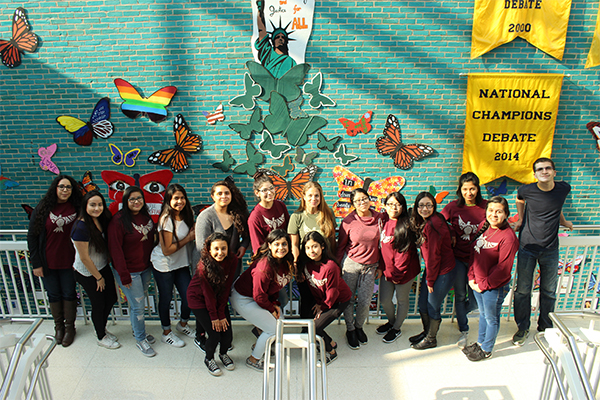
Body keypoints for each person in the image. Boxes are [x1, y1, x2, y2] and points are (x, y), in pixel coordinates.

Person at [511, 157, 573, 346]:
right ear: (535, 174)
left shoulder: (564, 188)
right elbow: (519, 199)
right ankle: (522, 328)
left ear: (554, 172)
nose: (544, 171)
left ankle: (544, 328)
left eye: (547, 168)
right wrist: (521, 219)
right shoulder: (527, 190)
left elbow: (557, 206)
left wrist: (563, 221)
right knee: (522, 290)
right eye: (539, 169)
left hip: (550, 249)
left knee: (549, 291)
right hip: (527, 247)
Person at [27, 175, 82, 347]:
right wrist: (36, 263)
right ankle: (59, 328)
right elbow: (32, 237)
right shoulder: (43, 208)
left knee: (69, 294)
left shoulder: (77, 207)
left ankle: (70, 328)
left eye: (68, 187)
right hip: (47, 262)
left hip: (70, 262)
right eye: (61, 187)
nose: (65, 190)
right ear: (55, 188)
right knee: (54, 295)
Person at [463, 196, 519, 361]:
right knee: (483, 315)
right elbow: (474, 253)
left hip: (493, 287)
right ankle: (480, 343)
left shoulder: (508, 237)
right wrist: (471, 277)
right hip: (478, 283)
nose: (494, 215)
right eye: (491, 210)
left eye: (499, 212)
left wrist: (483, 285)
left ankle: (487, 349)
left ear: (506, 214)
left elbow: (503, 269)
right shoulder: (484, 227)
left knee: (491, 318)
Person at [230, 229, 295, 372]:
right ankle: (254, 359)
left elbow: (273, 288)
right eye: (276, 244)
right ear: (269, 245)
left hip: (258, 298)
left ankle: (260, 343)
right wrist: (271, 309)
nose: (281, 248)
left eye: (284, 244)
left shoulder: (284, 261)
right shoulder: (264, 266)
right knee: (274, 329)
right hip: (243, 298)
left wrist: (275, 305)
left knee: (280, 324)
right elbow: (259, 295)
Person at [108, 186, 157, 357]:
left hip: (144, 268)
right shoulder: (118, 221)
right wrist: (123, 274)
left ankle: (137, 331)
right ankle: (140, 339)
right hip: (129, 272)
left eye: (139, 198)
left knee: (137, 305)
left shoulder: (145, 216)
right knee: (138, 307)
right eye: (132, 199)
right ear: (125, 201)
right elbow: (115, 250)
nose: (136, 202)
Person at [441, 172, 487, 348]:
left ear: (477, 189)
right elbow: (438, 221)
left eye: (472, 189)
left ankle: (461, 312)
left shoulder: (485, 206)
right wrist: (451, 231)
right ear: (460, 190)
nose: (469, 192)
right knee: (460, 295)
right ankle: (463, 328)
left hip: (478, 261)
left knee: (476, 296)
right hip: (458, 259)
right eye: (465, 189)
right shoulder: (453, 207)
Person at [336, 188, 385, 350]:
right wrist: (337, 267)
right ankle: (350, 329)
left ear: (369, 199)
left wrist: (381, 266)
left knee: (364, 301)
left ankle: (359, 327)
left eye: (364, 199)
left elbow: (384, 245)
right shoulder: (348, 221)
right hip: (351, 264)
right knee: (348, 299)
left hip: (370, 266)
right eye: (358, 200)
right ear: (353, 204)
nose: (362, 203)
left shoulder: (379, 218)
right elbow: (341, 245)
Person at [71, 190, 119, 349]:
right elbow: (84, 258)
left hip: (102, 266)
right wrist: (98, 277)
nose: (96, 208)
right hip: (87, 272)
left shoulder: (101, 219)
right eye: (92, 205)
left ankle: (101, 327)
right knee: (98, 304)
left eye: (99, 204)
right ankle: (100, 336)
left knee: (111, 298)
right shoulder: (81, 227)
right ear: (85, 206)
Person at [150, 184, 196, 348]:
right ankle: (166, 332)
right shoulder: (166, 219)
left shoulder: (187, 214)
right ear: (169, 200)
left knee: (189, 296)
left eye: (182, 197)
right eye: (176, 198)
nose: (180, 201)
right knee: (166, 297)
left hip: (181, 264)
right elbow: (167, 250)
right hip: (164, 265)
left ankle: (182, 325)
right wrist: (189, 238)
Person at [410, 192, 456, 350]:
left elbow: (433, 256)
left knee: (432, 306)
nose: (425, 208)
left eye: (428, 205)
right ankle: (426, 332)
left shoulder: (432, 225)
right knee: (423, 305)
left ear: (434, 206)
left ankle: (431, 338)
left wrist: (430, 280)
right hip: (432, 270)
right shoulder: (428, 221)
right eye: (421, 205)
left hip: (442, 271)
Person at [188, 232, 238, 376]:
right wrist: (215, 317)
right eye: (216, 249)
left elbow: (226, 287)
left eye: (223, 248)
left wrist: (221, 313)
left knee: (227, 333)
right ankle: (209, 358)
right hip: (198, 299)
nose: (220, 252)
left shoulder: (233, 260)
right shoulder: (204, 266)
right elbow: (207, 294)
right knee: (215, 334)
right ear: (209, 250)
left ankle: (223, 354)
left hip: (218, 297)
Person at [298, 231, 352, 364]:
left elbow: (333, 293)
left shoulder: (330, 266)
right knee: (309, 324)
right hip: (323, 300)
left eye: (315, 246)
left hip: (338, 300)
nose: (312, 251)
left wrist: (322, 307)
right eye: (308, 247)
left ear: (322, 246)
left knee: (314, 327)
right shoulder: (306, 264)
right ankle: (331, 343)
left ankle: (331, 353)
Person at [288, 182, 337, 320]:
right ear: (303, 196)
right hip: (306, 267)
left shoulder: (327, 214)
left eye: (317, 195)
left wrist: (335, 262)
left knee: (324, 299)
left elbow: (332, 241)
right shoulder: (297, 217)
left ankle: (319, 331)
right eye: (310, 195)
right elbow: (295, 245)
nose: (313, 198)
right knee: (307, 300)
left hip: (325, 266)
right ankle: (306, 332)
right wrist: (297, 267)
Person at [377, 192, 421, 344]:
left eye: (397, 204)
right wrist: (383, 268)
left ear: (403, 206)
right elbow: (383, 249)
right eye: (390, 204)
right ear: (385, 206)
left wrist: (397, 275)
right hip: (387, 270)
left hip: (404, 272)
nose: (393, 208)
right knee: (384, 300)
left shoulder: (406, 225)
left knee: (402, 300)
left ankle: (396, 328)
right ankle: (391, 322)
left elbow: (405, 254)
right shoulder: (384, 221)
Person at [195, 179, 250, 276]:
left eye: (227, 193)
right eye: (219, 193)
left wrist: (243, 246)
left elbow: (248, 232)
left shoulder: (237, 213)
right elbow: (201, 247)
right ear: (213, 197)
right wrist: (213, 267)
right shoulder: (205, 217)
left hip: (233, 264)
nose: (224, 196)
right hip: (211, 267)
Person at [248, 173, 290, 254]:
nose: (269, 192)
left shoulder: (281, 206)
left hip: (284, 253)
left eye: (271, 188)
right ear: (257, 193)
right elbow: (258, 246)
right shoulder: (254, 217)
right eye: (264, 190)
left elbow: (289, 230)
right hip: (267, 257)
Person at [254, 0, 297, 78]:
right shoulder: (268, 54)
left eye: (283, 37)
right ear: (273, 41)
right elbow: (261, 31)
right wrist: (260, 10)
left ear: (286, 41)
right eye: (277, 37)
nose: (280, 39)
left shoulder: (290, 61)